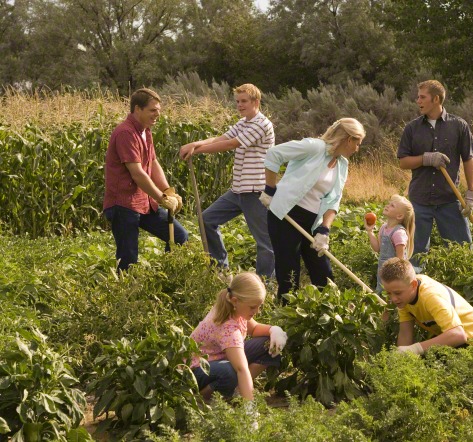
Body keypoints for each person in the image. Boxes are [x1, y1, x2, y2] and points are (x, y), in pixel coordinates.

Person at [259, 118, 365, 301]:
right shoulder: (314, 147)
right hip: (285, 216)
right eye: (358, 143)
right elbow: (274, 154)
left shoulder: (342, 165)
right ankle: (286, 321)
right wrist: (270, 190)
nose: (357, 148)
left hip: (313, 221)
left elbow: (334, 199)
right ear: (349, 139)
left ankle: (328, 316)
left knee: (323, 274)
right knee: (289, 276)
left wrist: (324, 229)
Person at [179, 84, 275, 277]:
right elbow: (221, 138)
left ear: (256, 102)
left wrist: (197, 150)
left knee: (265, 242)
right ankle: (221, 271)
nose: (240, 105)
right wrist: (195, 144)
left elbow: (232, 144)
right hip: (238, 190)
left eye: (244, 101)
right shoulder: (244, 122)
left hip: (255, 191)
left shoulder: (262, 124)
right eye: (238, 102)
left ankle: (266, 284)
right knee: (206, 219)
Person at [397, 80, 473, 270]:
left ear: (436, 99)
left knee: (462, 253)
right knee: (413, 258)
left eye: (422, 97)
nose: (418, 101)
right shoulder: (412, 128)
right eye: (418, 97)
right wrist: (426, 158)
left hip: (449, 200)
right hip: (419, 201)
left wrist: (471, 195)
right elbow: (403, 162)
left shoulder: (459, 126)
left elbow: (469, 159)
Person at [103, 88, 188, 272]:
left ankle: (168, 278)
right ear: (137, 109)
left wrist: (167, 191)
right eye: (152, 110)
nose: (157, 114)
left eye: (158, 110)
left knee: (179, 237)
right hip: (123, 204)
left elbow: (153, 162)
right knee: (128, 259)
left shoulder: (145, 131)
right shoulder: (126, 133)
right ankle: (125, 296)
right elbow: (138, 173)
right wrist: (161, 198)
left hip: (145, 202)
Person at [190, 272, 287, 402]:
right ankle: (201, 400)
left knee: (269, 344)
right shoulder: (227, 328)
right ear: (235, 301)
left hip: (220, 358)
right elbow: (241, 369)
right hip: (198, 369)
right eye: (253, 307)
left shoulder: (235, 308)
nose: (257, 311)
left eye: (259, 306)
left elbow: (254, 328)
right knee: (229, 372)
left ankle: (237, 390)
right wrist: (250, 408)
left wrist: (273, 330)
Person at [379, 257, 473, 354]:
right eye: (389, 293)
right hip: (453, 340)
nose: (393, 298)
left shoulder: (430, 296)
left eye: (397, 293)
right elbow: (405, 334)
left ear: (413, 285)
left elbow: (458, 335)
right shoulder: (404, 298)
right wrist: (400, 360)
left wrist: (415, 349)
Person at [364, 194, 415, 293]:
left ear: (399, 216)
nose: (387, 206)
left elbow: (399, 260)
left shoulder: (398, 233)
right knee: (382, 292)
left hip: (396, 273)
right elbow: (377, 248)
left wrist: (393, 276)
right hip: (383, 269)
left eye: (392, 206)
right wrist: (370, 231)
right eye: (389, 204)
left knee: (392, 294)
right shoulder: (384, 228)